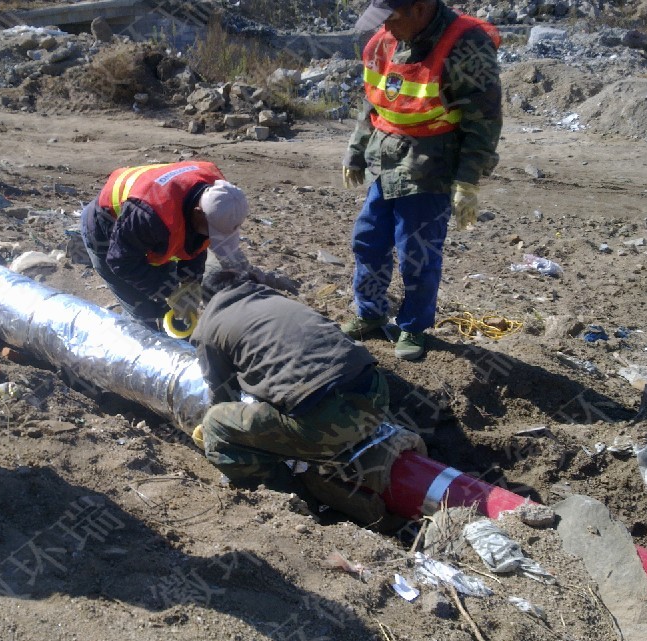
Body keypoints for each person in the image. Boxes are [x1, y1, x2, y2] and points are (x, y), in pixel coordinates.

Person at [190, 269, 425, 530]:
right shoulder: (275, 300)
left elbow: (222, 391)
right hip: (377, 395)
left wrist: (221, 431)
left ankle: (292, 498)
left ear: (207, 300)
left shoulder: (210, 325)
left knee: (216, 425)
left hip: (325, 422)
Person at [341, 0, 502, 360]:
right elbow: (373, 101)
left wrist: (468, 182)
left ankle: (413, 326)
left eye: (392, 18)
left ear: (420, 7)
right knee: (368, 240)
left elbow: (484, 120)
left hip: (432, 167)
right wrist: (356, 150)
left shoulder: (466, 45)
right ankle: (370, 312)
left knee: (418, 253)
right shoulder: (386, 41)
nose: (385, 28)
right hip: (386, 161)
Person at [81, 160, 295, 330]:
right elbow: (121, 261)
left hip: (148, 233)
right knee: (144, 313)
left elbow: (195, 243)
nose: (211, 237)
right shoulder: (151, 216)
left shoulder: (222, 197)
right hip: (106, 233)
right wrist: (170, 291)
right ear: (198, 212)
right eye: (212, 231)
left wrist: (190, 282)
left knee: (168, 305)